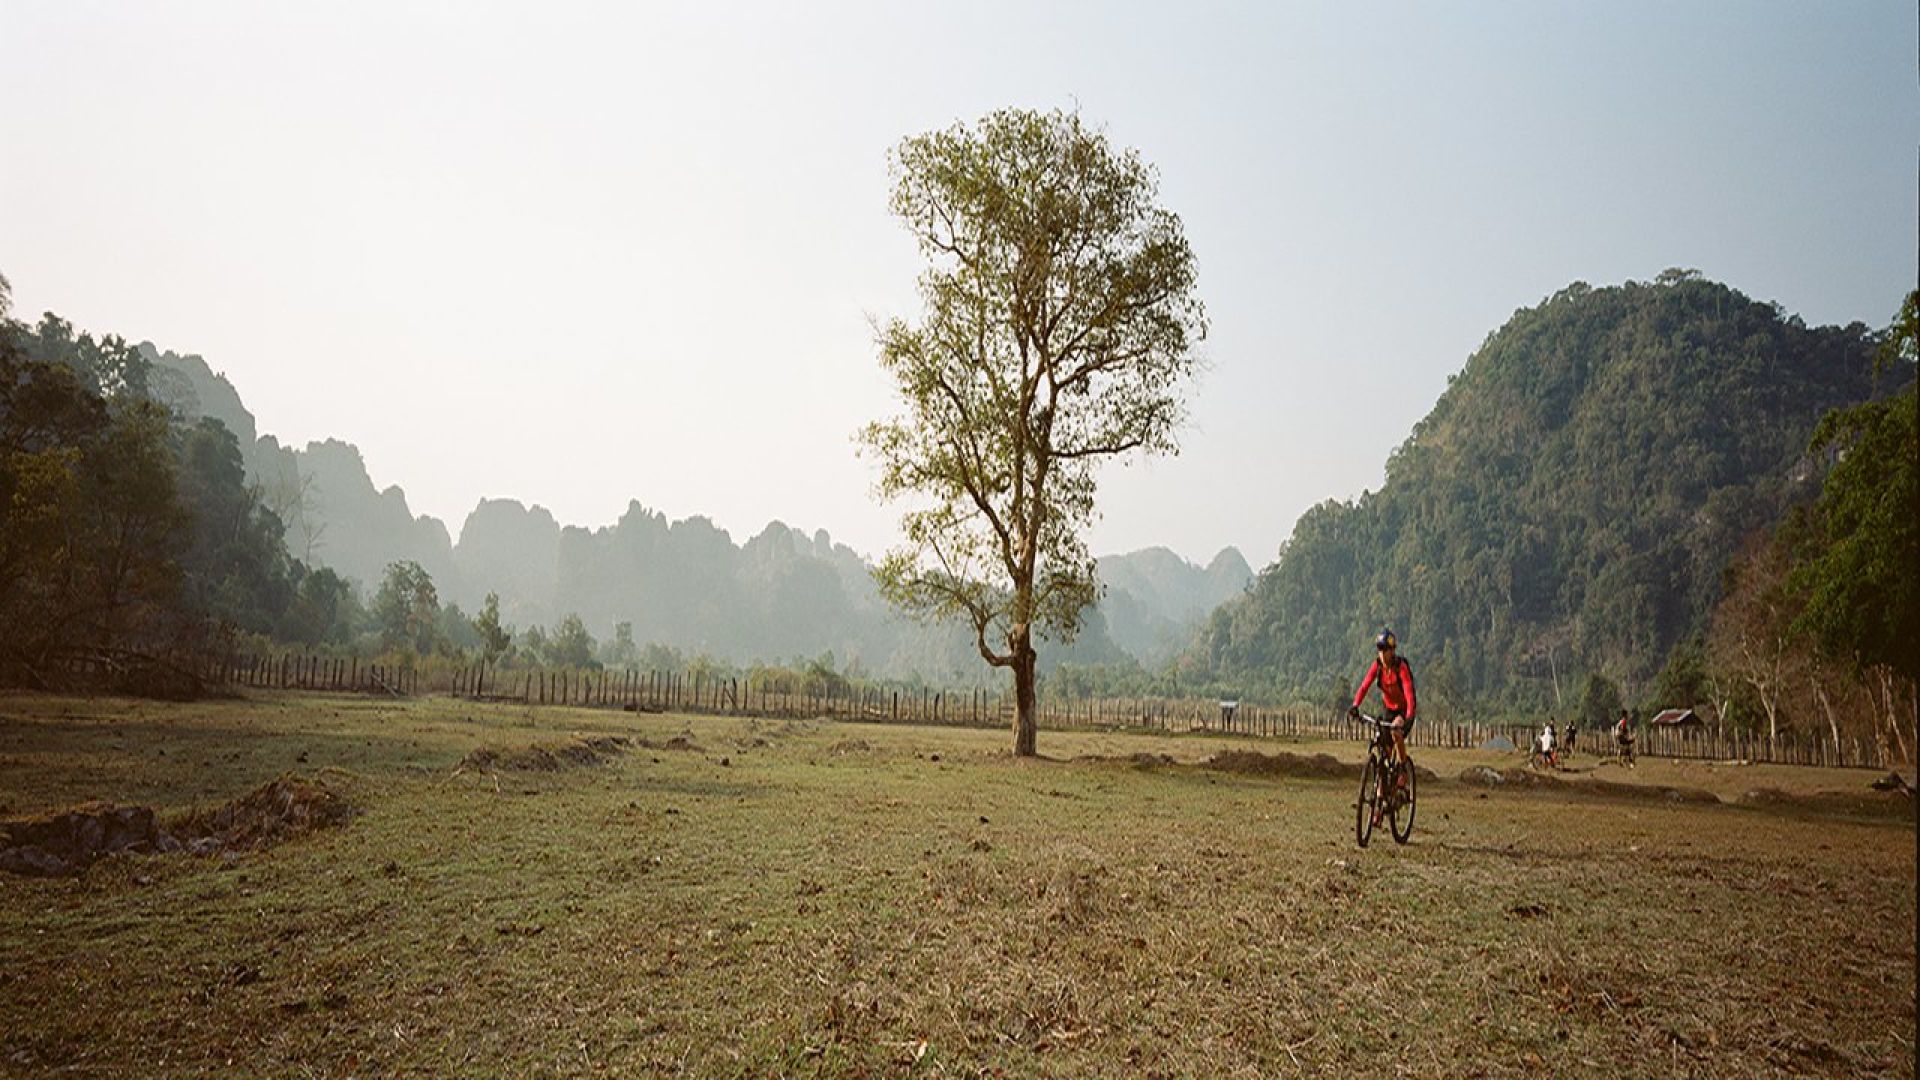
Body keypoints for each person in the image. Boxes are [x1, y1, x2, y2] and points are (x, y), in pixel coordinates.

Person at [1349, 628, 1416, 799]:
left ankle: (1402, 769)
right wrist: (1355, 705)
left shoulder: (1400, 667)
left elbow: (1409, 693)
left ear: (1392, 650)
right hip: (1389, 709)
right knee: (1383, 757)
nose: (1381, 653)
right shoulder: (1377, 666)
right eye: (1379, 649)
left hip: (1403, 710)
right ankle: (1379, 802)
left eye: (1385, 649)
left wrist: (1408, 717)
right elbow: (1364, 686)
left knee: (1395, 731)